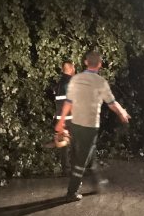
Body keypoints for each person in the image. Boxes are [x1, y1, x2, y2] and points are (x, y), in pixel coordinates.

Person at [55, 51, 130, 201]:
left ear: (85, 62)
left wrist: (61, 121)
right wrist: (121, 112)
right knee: (81, 159)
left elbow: (67, 103)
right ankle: (72, 192)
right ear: (100, 64)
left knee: (89, 154)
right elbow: (111, 103)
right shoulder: (100, 82)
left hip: (75, 124)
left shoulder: (76, 80)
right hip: (90, 126)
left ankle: (97, 182)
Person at [53, 60, 75, 175]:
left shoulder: (58, 84)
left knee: (64, 145)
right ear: (71, 68)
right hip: (70, 118)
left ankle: (66, 169)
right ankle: (76, 169)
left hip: (60, 118)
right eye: (74, 68)